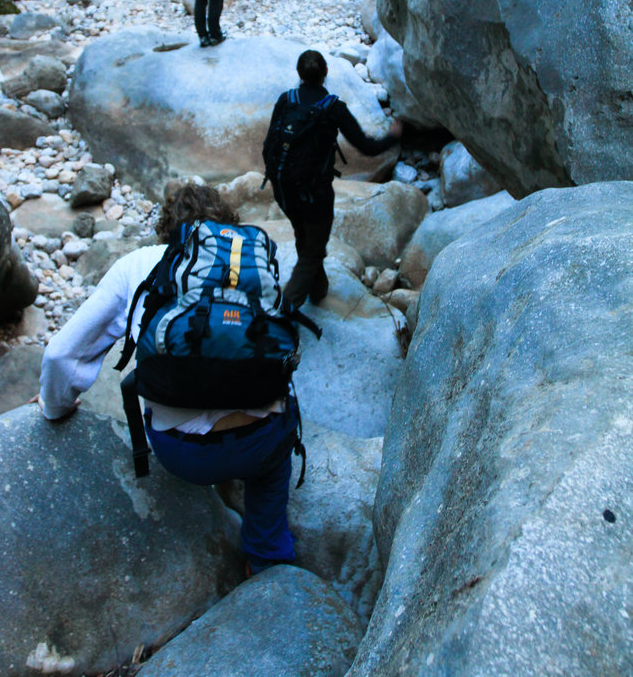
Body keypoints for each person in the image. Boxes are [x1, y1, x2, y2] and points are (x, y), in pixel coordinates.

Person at [35, 183, 299, 576]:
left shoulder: (138, 265)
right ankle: (266, 557)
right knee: (280, 433)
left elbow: (60, 352)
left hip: (180, 455)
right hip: (257, 443)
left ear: (167, 228)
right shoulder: (249, 267)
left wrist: (54, 406)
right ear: (228, 227)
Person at [263, 49, 402, 307]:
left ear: (299, 74)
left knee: (304, 236)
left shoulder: (286, 99)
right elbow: (366, 147)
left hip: (283, 188)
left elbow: (268, 143)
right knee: (313, 249)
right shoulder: (333, 108)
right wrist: (393, 135)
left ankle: (318, 290)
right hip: (315, 193)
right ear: (325, 73)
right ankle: (285, 309)